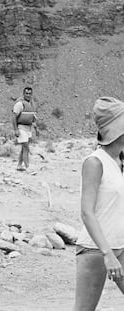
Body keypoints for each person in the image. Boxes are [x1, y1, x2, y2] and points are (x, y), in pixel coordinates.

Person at [74, 97, 124, 311]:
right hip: (96, 250)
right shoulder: (94, 162)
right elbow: (87, 212)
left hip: (120, 246)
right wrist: (108, 254)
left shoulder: (117, 161)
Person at [12, 87, 37, 171]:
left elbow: (33, 118)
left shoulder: (32, 105)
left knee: (24, 148)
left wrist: (36, 129)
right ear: (23, 94)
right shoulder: (19, 104)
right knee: (26, 147)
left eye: (30, 93)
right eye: (26, 93)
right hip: (21, 127)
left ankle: (19, 165)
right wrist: (16, 129)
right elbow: (14, 117)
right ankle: (27, 167)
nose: (28, 95)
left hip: (28, 128)